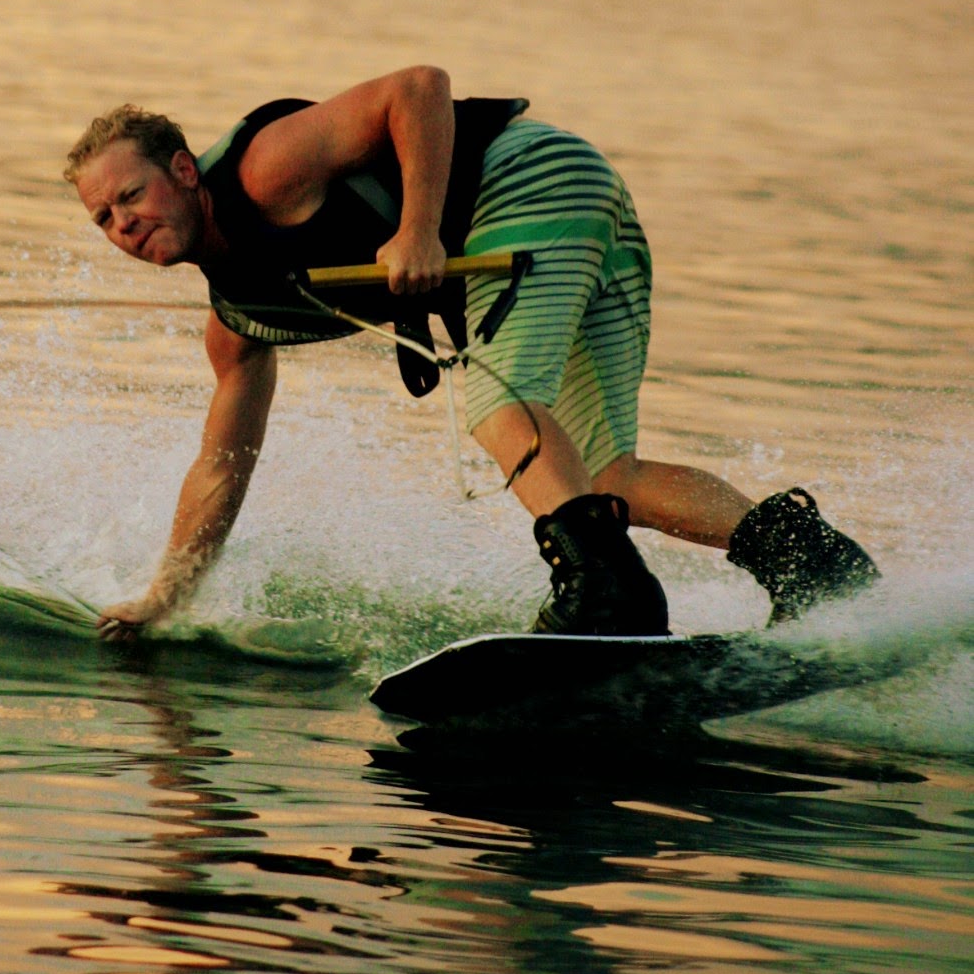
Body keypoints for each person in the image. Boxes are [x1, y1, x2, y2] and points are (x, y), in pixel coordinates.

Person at [65, 68, 877, 640]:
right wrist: (163, 598)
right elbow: (220, 465)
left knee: (497, 406)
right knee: (598, 477)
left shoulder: (266, 168)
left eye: (131, 195)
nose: (123, 224)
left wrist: (415, 227)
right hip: (582, 215)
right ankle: (815, 565)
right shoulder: (239, 321)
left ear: (180, 171)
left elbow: (417, 87)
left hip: (531, 184)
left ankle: (607, 598)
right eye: (103, 218)